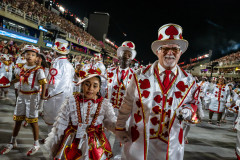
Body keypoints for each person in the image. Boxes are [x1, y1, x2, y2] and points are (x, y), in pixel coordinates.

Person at [115, 23, 203, 160]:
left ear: (180, 53)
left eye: (175, 49)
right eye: (165, 48)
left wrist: (188, 111)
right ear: (158, 52)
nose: (170, 52)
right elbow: (127, 103)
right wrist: (120, 127)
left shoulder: (189, 81)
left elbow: (194, 105)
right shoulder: (139, 76)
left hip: (171, 144)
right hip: (139, 143)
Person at [44, 69, 117, 159]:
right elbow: (60, 125)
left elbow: (111, 123)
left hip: (95, 143)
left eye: (95, 86)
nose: (90, 89)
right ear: (82, 85)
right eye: (87, 84)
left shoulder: (105, 104)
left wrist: (121, 128)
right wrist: (54, 146)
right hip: (71, 142)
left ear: (99, 88)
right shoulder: (71, 101)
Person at [0, 45, 47, 156]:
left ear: (37, 58)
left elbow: (44, 84)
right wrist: (8, 83)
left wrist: (42, 98)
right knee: (18, 119)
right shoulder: (22, 68)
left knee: (33, 121)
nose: (29, 56)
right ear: (24, 55)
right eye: (27, 54)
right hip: (21, 96)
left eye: (33, 55)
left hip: (32, 97)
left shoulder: (38, 70)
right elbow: (18, 78)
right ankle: (13, 141)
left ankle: (36, 144)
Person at [43, 38, 74, 135]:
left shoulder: (57, 63)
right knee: (62, 119)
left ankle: (52, 140)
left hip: (56, 96)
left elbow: (54, 82)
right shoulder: (69, 64)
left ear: (56, 51)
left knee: (53, 118)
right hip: (66, 95)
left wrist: (49, 94)